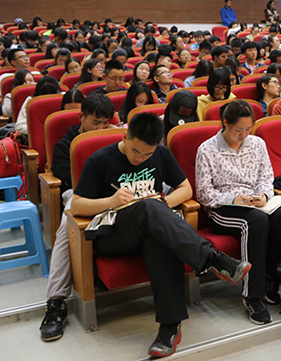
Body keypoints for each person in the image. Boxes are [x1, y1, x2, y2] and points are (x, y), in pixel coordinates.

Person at [69, 112, 251, 357]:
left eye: (147, 154)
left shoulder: (161, 154)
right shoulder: (100, 160)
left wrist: (162, 206)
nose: (140, 158)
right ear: (125, 137)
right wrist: (111, 201)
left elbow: (185, 189)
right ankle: (212, 258)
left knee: (159, 238)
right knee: (149, 207)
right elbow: (76, 206)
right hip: (115, 234)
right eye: (136, 151)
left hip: (151, 227)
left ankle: (169, 327)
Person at [195, 100, 281, 324]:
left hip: (254, 203)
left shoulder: (257, 144)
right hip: (223, 208)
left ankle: (270, 276)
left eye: (248, 129)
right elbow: (203, 194)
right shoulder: (207, 150)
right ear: (225, 123)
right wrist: (232, 199)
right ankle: (252, 295)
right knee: (256, 221)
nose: (243, 135)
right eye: (238, 130)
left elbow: (266, 178)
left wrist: (264, 196)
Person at [39, 94, 116, 342]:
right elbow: (68, 178)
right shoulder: (65, 145)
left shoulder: (114, 137)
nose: (100, 128)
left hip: (115, 191)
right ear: (82, 117)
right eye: (96, 122)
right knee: (68, 221)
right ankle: (56, 301)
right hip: (79, 194)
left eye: (105, 123)